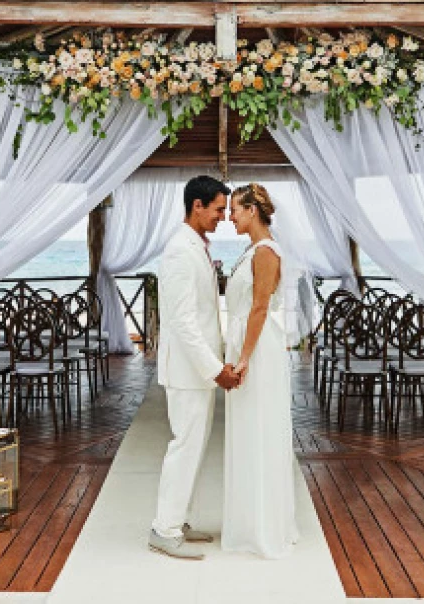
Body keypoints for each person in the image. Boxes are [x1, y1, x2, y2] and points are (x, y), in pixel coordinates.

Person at [148, 175, 242, 560]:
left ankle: (177, 519)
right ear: (197, 206)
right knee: (184, 447)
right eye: (220, 208)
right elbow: (182, 321)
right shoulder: (179, 251)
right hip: (187, 371)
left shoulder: (197, 246)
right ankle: (163, 529)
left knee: (193, 448)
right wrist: (214, 368)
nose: (224, 216)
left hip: (197, 370)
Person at [221, 183, 299, 558]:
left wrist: (246, 356)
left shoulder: (266, 252)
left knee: (260, 428)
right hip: (247, 343)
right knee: (248, 430)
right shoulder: (252, 250)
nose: (229, 216)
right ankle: (251, 520)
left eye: (234, 209)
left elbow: (260, 308)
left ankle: (266, 527)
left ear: (252, 210)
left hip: (259, 350)